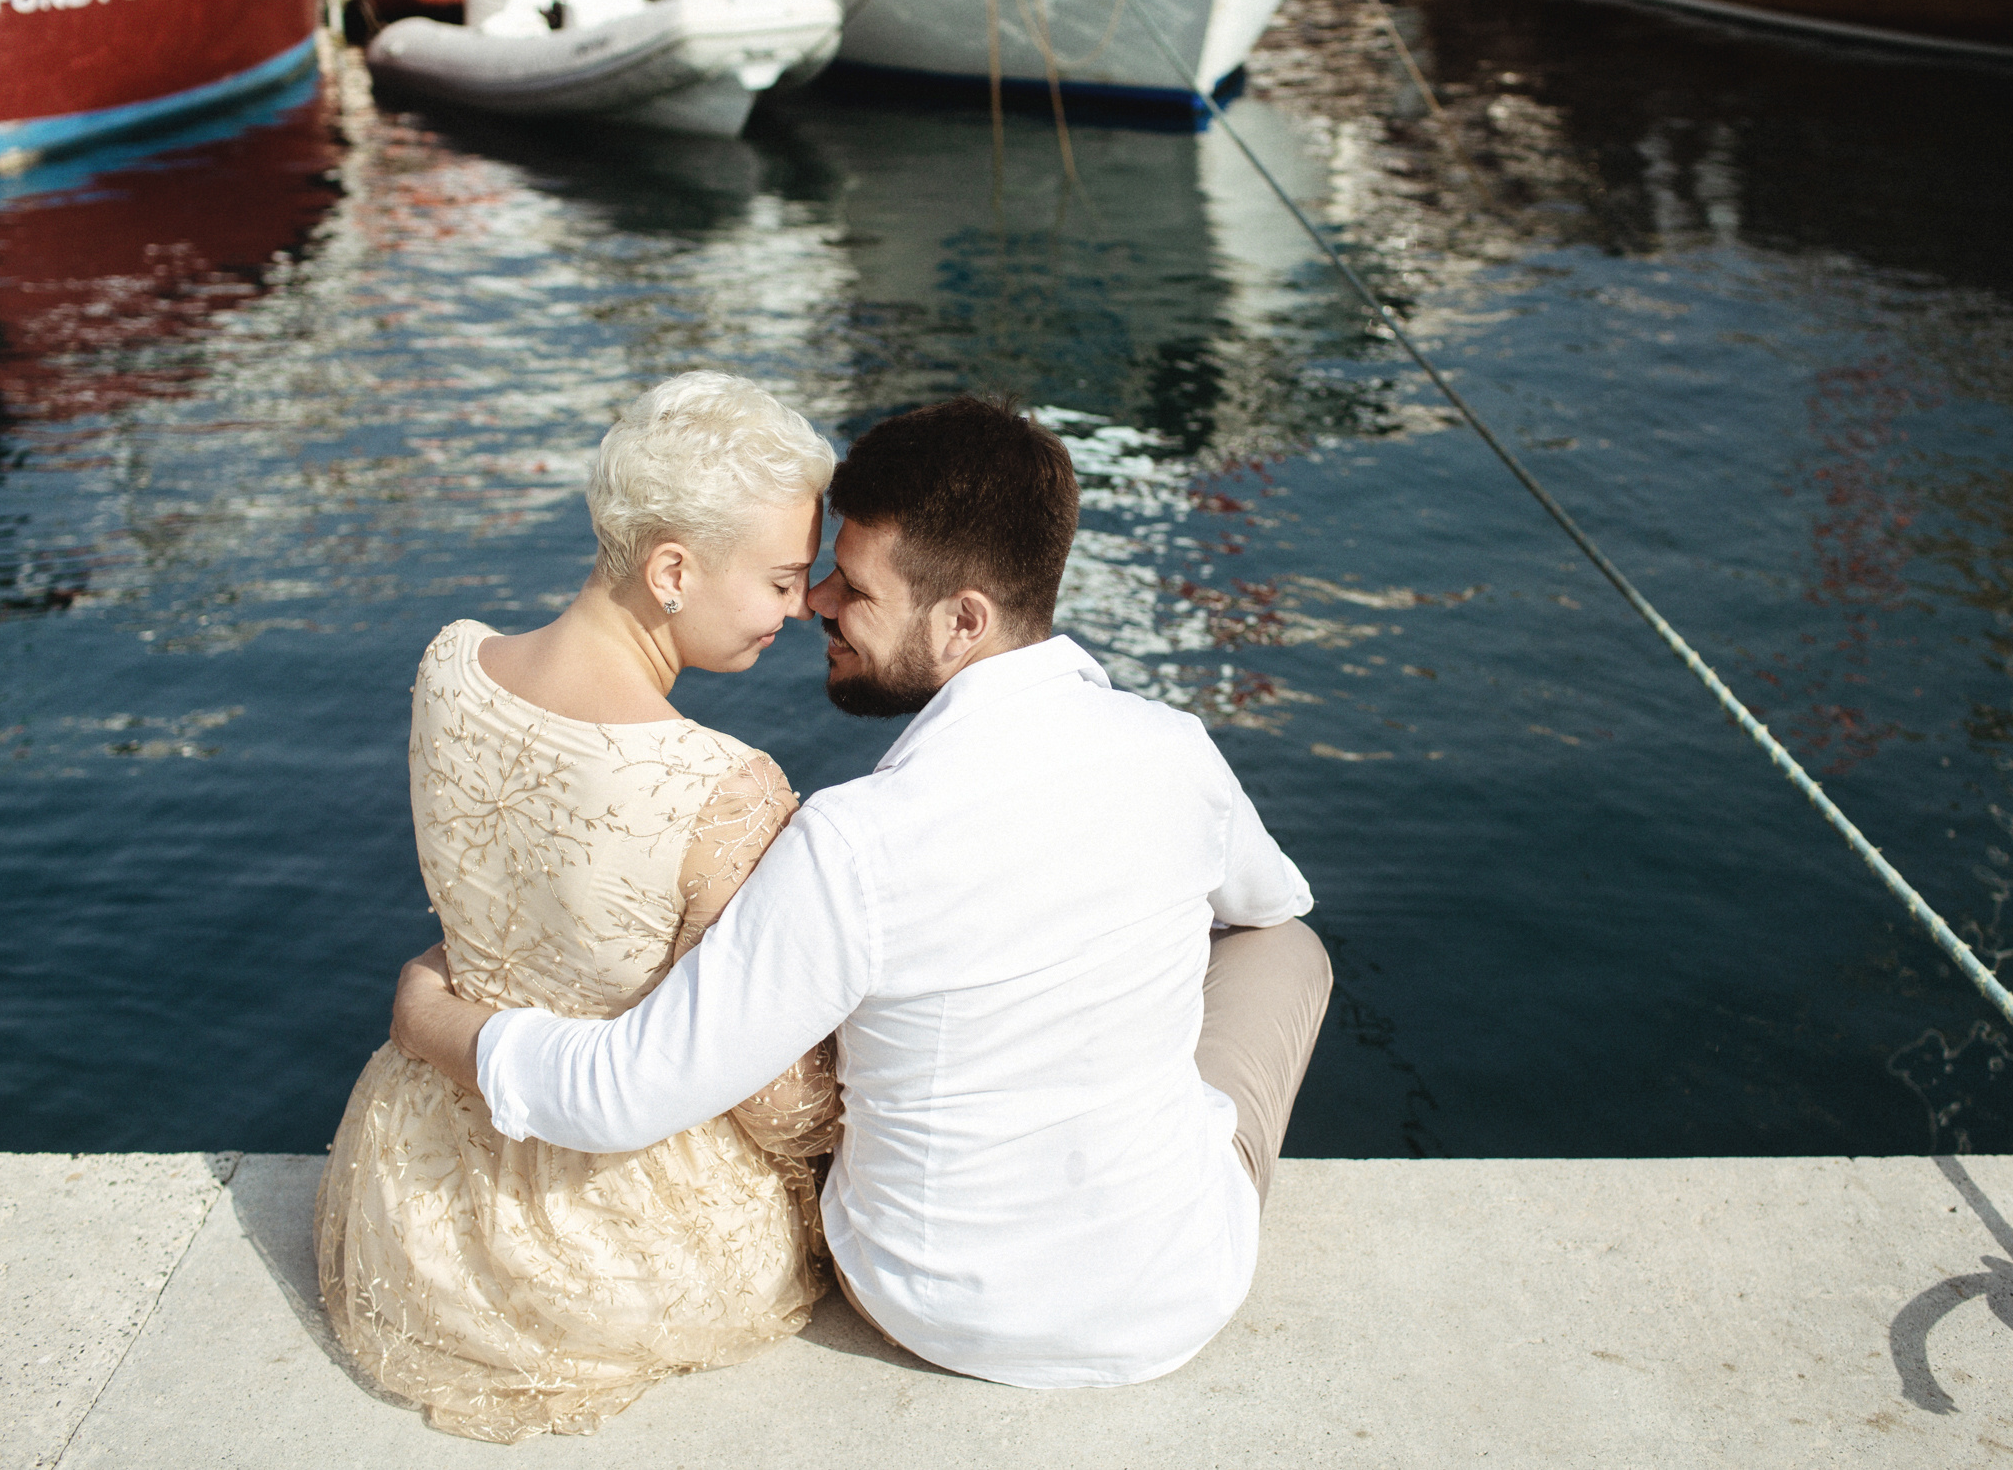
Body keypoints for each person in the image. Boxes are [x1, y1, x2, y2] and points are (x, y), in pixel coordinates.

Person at [392, 396, 1333, 1389]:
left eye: (855, 585)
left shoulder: (853, 838)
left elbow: (624, 1092)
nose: (818, 601)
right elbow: (1271, 903)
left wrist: (428, 1019)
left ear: (964, 620)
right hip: (1178, 1291)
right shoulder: (1176, 752)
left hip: (926, 1302)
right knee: (1285, 945)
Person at [314, 372, 845, 1443]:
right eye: (784, 579)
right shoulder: (722, 786)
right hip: (626, 1241)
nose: (800, 608)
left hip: (414, 1195)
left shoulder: (451, 663)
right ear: (673, 570)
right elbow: (775, 1099)